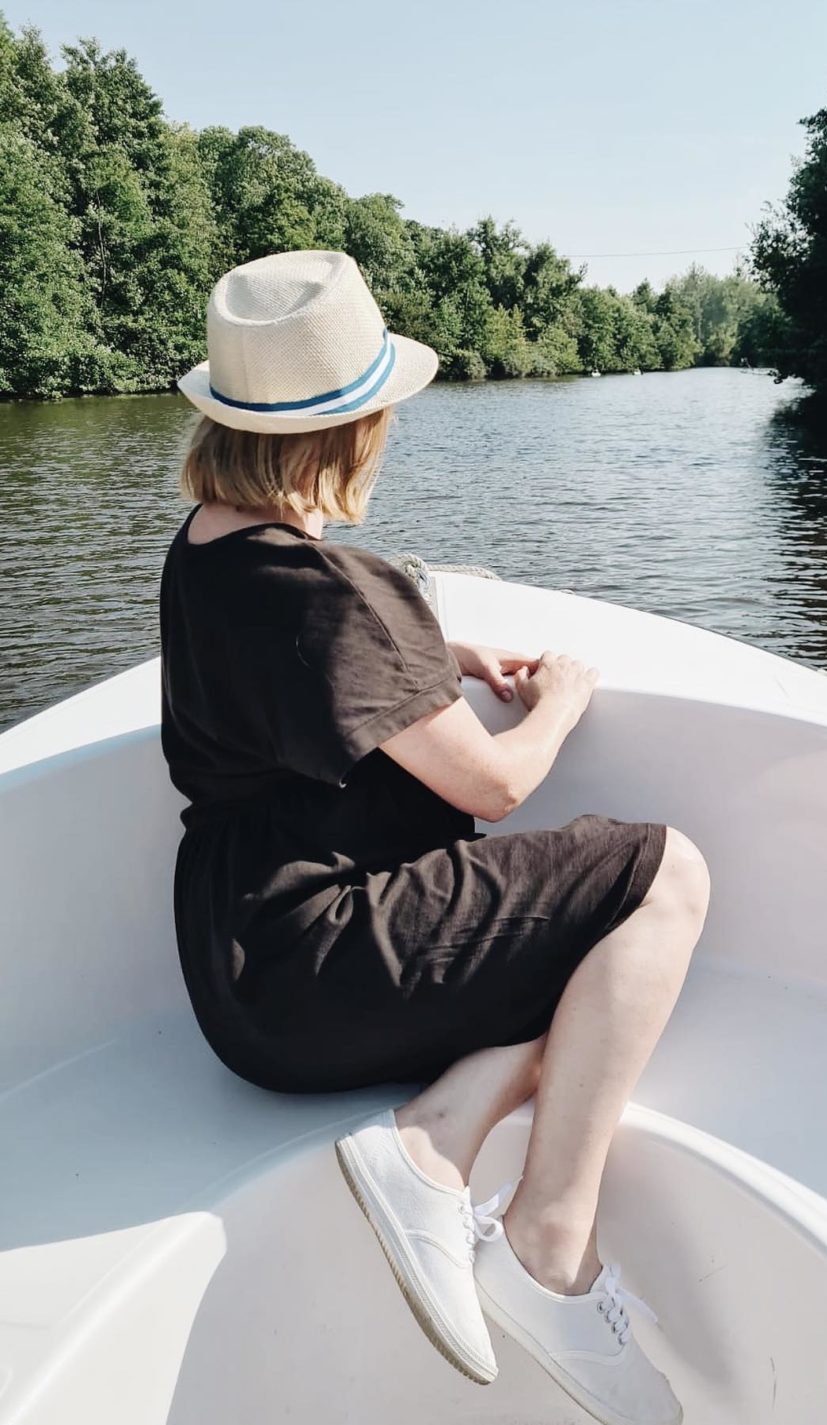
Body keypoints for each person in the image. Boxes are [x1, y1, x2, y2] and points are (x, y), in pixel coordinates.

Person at [159, 249, 711, 1425]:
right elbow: (500, 784)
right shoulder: (329, 594)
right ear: (353, 428)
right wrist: (558, 693)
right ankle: (547, 1246)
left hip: (235, 969)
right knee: (659, 877)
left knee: (567, 950)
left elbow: (309, 652)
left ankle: (436, 1138)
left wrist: (438, 654)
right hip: (319, 965)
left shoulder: (205, 549)